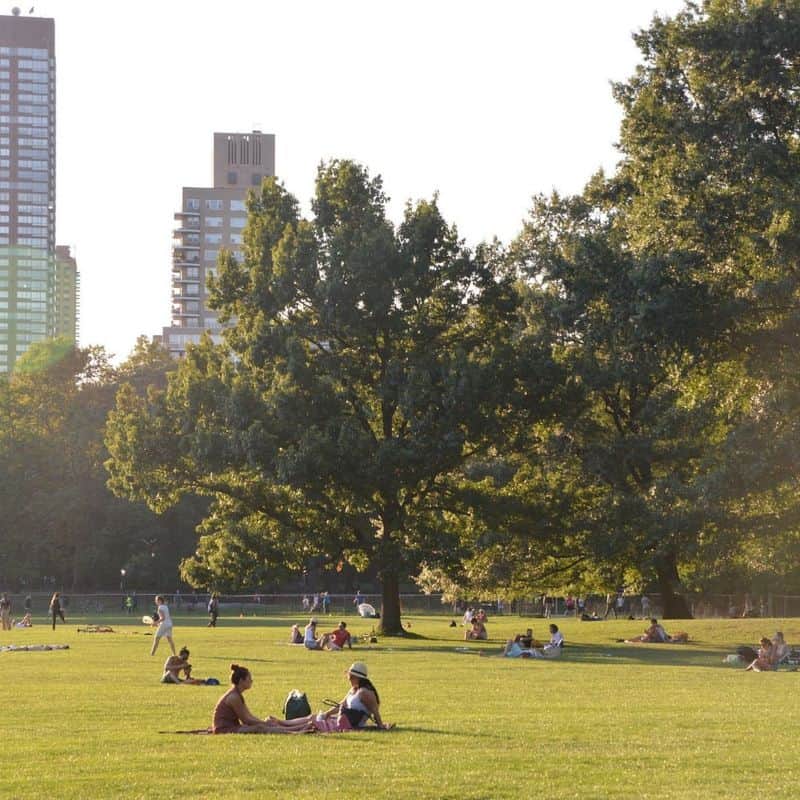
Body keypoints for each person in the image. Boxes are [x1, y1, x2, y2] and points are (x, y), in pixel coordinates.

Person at [211, 664, 315, 733]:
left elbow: (248, 716)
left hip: (232, 727)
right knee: (260, 728)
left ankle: (297, 728)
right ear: (242, 681)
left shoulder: (237, 694)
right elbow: (246, 720)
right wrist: (263, 724)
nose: (251, 680)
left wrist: (265, 722)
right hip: (224, 729)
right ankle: (295, 732)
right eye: (249, 678)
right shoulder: (233, 697)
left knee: (265, 724)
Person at [311, 662, 392, 732]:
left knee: (311, 723)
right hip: (343, 720)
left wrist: (380, 725)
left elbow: (375, 711)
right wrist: (327, 714)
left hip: (351, 724)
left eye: (351, 677)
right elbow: (341, 705)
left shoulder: (365, 692)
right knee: (311, 717)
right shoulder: (353, 689)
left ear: (358, 678)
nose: (349, 680)